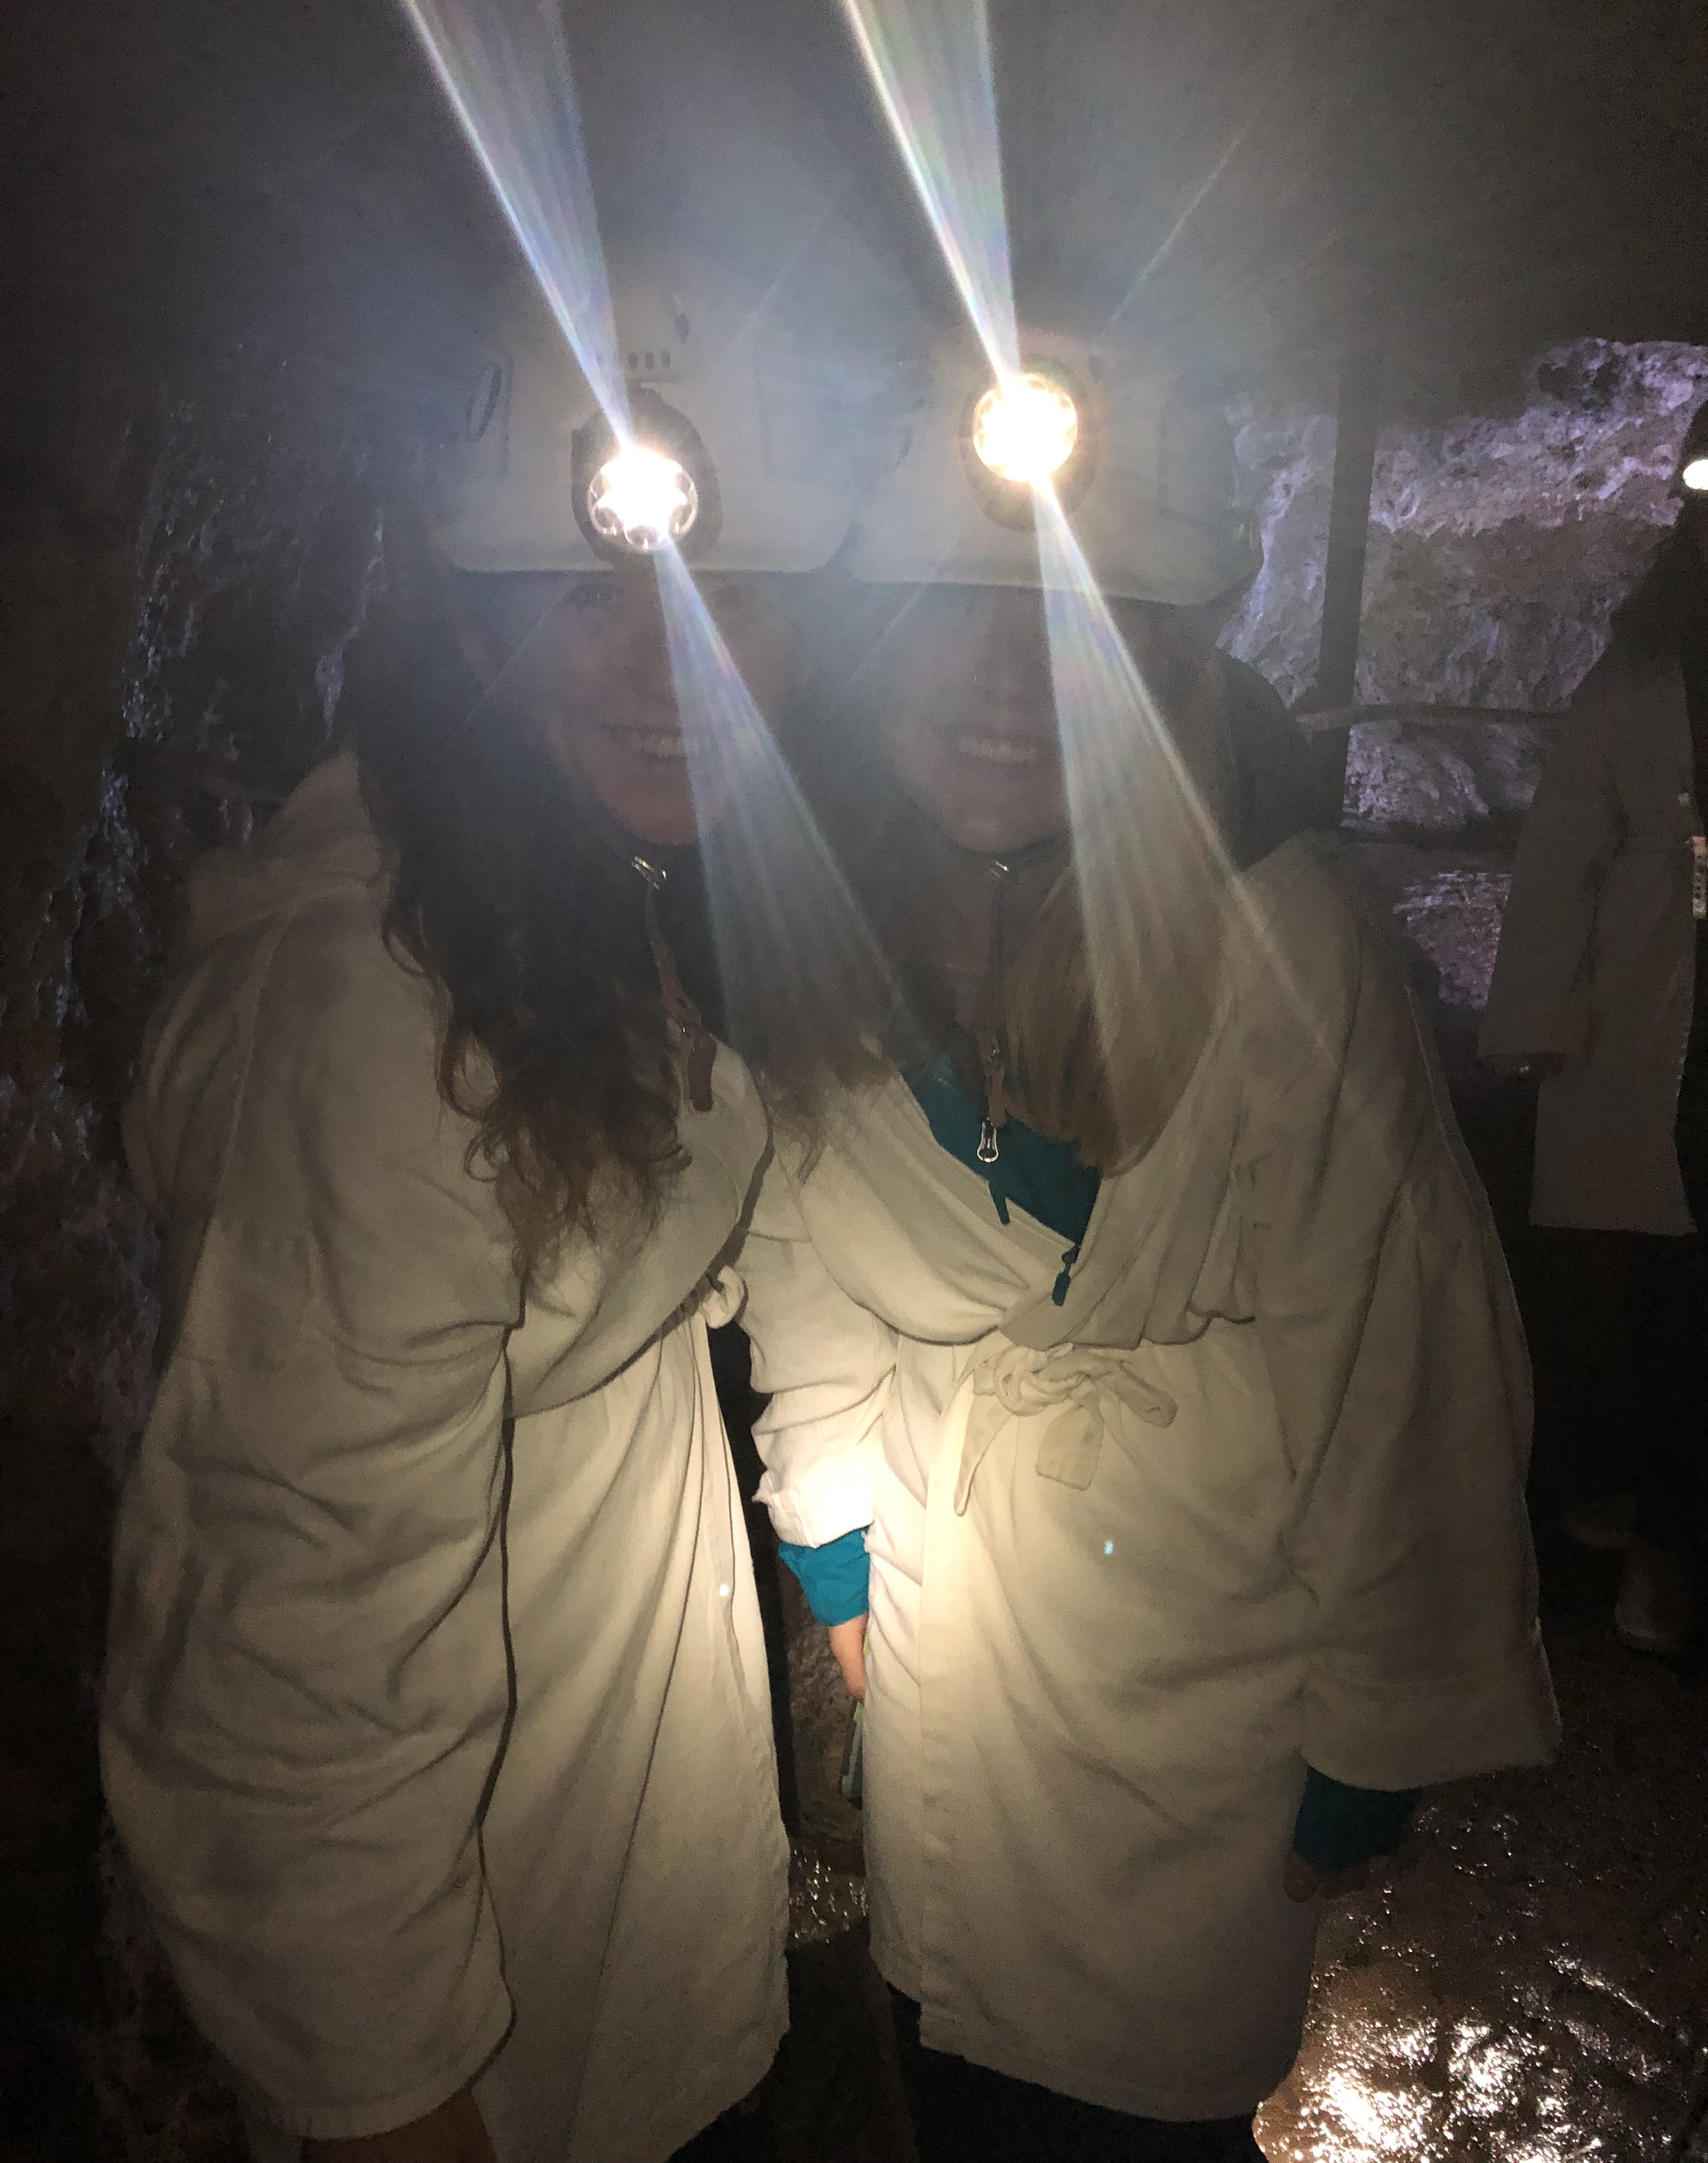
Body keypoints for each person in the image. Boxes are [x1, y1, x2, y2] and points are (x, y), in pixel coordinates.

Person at [100, 244, 897, 2163]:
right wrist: (392, 2104)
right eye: (588, 599)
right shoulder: (378, 1020)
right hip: (487, 2008)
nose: (674, 665)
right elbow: (289, 1659)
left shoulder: (576, 893)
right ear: (467, 627)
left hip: (613, 1884)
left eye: (734, 599)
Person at [735, 326, 1559, 2160]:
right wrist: (840, 1555)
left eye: (1078, 618)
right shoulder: (822, 940)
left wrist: (1373, 1732)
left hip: (1199, 1667)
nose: (1007, 677)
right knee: (946, 2054)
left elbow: (1398, 1351)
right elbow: (805, 1261)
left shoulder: (1283, 949)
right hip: (946, 1630)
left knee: (1141, 2111)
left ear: (1166, 668)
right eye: (958, 611)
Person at [1480, 397, 1708, 1658]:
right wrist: (1541, 1013)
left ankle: (1665, 1518)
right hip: (1658, 999)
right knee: (1651, 1271)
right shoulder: (1643, 676)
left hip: (1667, 994)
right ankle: (1646, 1520)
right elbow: (1564, 849)